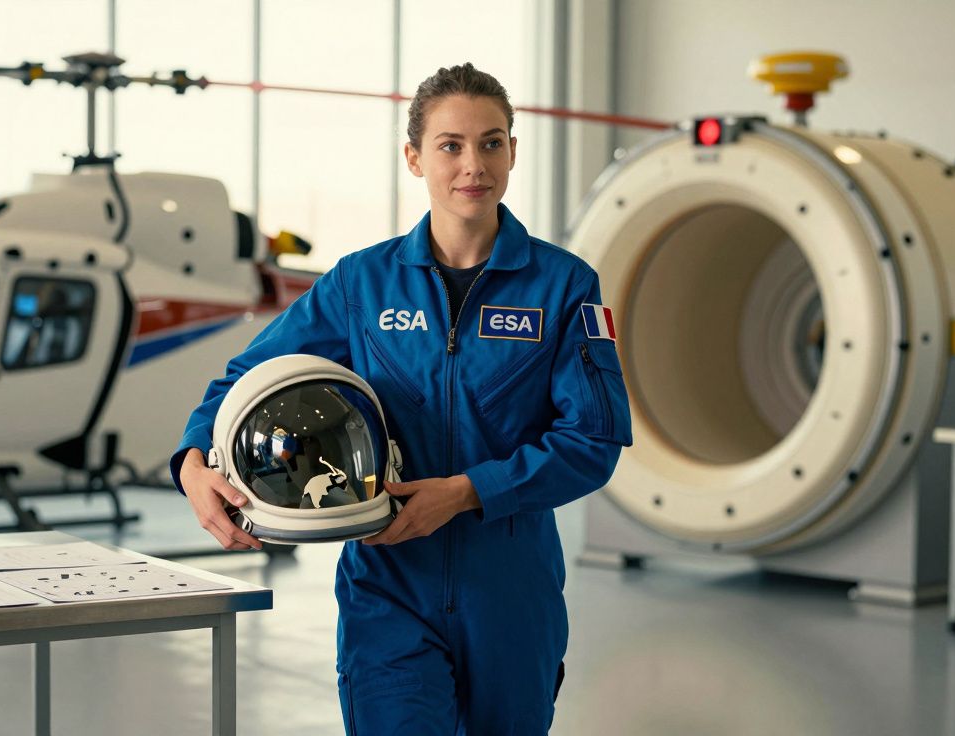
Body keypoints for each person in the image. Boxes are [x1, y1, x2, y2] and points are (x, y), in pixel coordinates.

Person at [171, 62, 632, 735]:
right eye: (450, 145)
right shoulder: (363, 283)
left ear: (512, 152)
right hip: (389, 585)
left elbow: (592, 442)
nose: (473, 164)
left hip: (509, 590)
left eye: (492, 142)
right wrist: (191, 458)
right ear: (415, 157)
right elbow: (248, 378)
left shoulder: (563, 287)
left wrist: (467, 491)